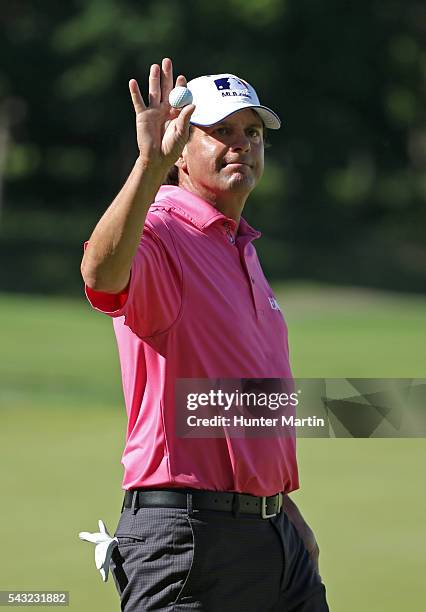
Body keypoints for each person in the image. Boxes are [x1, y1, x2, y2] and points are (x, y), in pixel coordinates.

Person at [80, 57, 329, 611]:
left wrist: (284, 516)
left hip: (271, 538)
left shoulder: (240, 247)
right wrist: (148, 166)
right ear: (182, 150)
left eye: (252, 132)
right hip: (188, 539)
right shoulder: (163, 230)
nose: (241, 143)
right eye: (220, 131)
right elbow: (101, 275)